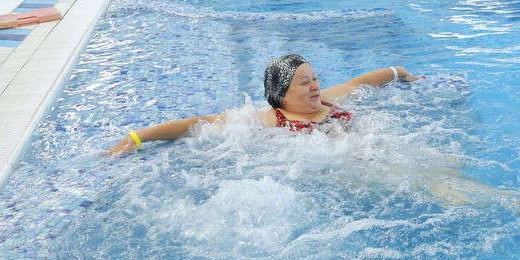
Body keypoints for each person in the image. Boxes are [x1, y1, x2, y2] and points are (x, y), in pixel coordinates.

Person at [106, 54, 418, 155]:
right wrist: (137, 137)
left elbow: (361, 82)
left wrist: (400, 72)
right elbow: (194, 124)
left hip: (372, 146)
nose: (315, 86)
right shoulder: (264, 120)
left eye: (314, 78)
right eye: (304, 82)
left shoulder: (327, 100)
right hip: (343, 164)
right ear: (282, 94)